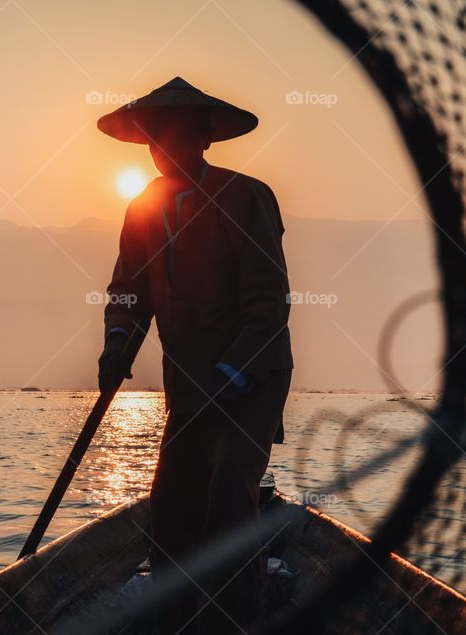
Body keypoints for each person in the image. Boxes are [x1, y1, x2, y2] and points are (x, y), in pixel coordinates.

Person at [96, 77, 293, 633]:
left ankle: (235, 622)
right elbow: (128, 294)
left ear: (204, 138)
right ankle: (177, 621)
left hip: (251, 378)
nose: (163, 149)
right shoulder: (142, 207)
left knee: (230, 500)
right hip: (187, 385)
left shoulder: (247, 196)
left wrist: (228, 374)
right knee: (174, 511)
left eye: (175, 136)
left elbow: (268, 306)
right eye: (155, 138)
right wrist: (116, 344)